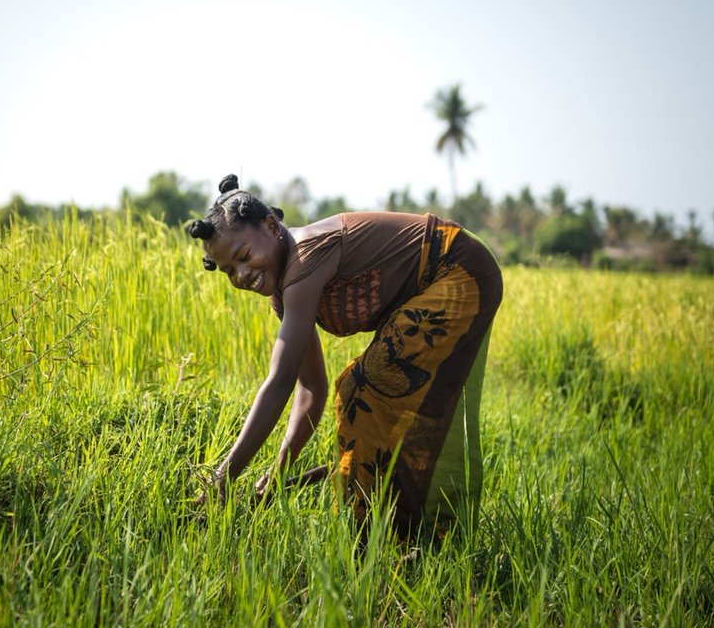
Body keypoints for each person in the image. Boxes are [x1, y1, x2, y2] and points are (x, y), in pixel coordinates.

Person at [188, 174, 503, 536]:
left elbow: (279, 383)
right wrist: (279, 468)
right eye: (229, 271)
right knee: (375, 397)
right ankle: (396, 535)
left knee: (365, 388)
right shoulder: (286, 295)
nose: (242, 274)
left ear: (272, 226)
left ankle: (381, 534)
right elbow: (311, 389)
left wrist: (223, 475)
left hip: (457, 267)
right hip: (446, 274)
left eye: (244, 256)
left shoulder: (306, 256)